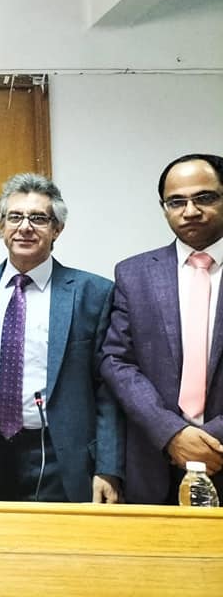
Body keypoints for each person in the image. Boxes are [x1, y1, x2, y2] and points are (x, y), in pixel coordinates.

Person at [0, 173, 123, 503]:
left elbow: (108, 390)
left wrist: (108, 468)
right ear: (2, 226)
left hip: (58, 455)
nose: (25, 227)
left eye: (38, 218)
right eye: (15, 217)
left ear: (57, 229)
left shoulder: (94, 293)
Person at [101, 153, 223, 504]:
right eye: (176, 201)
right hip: (156, 460)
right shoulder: (134, 273)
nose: (190, 211)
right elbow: (116, 361)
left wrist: (209, 438)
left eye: (204, 197)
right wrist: (171, 432)